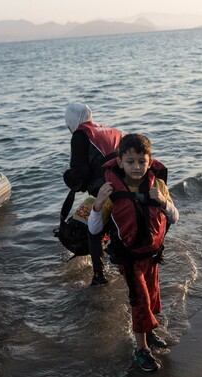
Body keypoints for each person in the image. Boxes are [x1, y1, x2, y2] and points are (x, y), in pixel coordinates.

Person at [88, 133, 179, 372]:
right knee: (140, 301)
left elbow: (174, 217)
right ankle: (141, 349)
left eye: (142, 161)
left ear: (150, 161)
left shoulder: (157, 186)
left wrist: (163, 202)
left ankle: (148, 335)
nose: (137, 167)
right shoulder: (109, 190)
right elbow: (94, 228)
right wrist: (98, 203)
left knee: (152, 295)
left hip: (152, 255)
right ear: (119, 162)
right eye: (130, 162)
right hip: (129, 259)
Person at [63, 102, 122, 286]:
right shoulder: (112, 130)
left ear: (71, 120)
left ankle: (99, 275)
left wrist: (67, 178)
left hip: (105, 192)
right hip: (124, 187)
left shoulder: (80, 135)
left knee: (92, 229)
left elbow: (79, 175)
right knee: (111, 225)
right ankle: (116, 252)